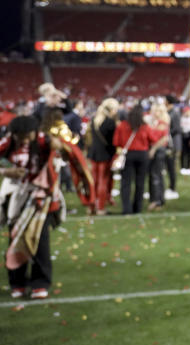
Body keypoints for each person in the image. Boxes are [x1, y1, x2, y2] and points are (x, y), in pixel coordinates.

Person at [1, 115, 92, 299]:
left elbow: (71, 155)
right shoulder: (7, 143)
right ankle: (17, 282)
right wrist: (6, 171)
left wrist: (61, 147)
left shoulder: (45, 141)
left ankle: (40, 282)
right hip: (16, 199)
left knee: (40, 241)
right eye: (21, 136)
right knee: (16, 238)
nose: (25, 140)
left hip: (40, 199)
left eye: (28, 135)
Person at [112, 104, 164, 214]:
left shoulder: (122, 126)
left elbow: (116, 142)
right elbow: (154, 139)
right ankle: (138, 208)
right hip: (142, 155)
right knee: (140, 182)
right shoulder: (144, 126)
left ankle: (126, 208)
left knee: (126, 182)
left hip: (128, 155)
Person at [88, 98, 119, 215]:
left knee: (94, 181)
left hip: (94, 154)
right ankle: (100, 207)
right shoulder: (110, 122)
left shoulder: (94, 120)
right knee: (103, 181)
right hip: (105, 155)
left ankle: (92, 205)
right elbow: (113, 142)